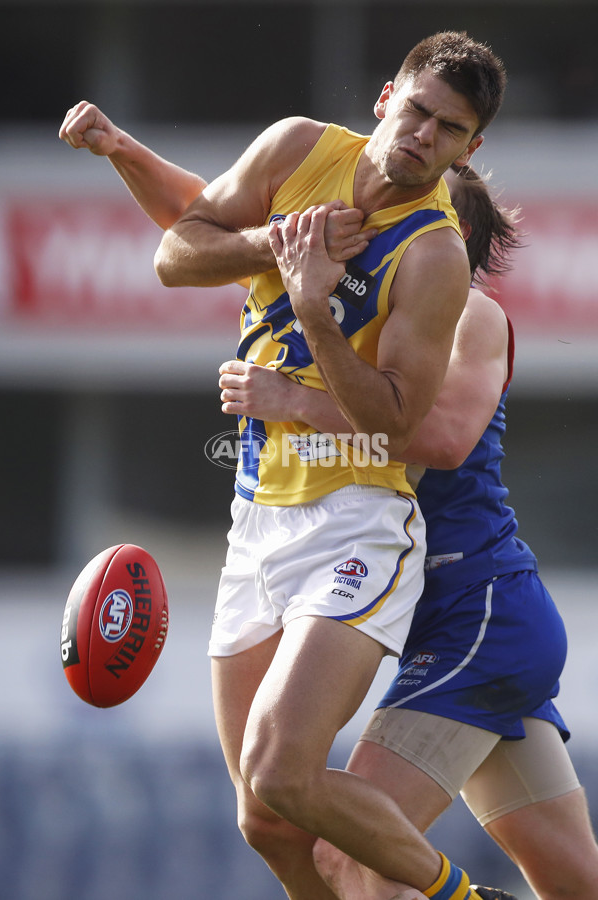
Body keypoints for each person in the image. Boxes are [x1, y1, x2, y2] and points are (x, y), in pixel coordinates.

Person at [59, 31, 516, 900]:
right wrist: (279, 247)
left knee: (280, 769)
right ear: (387, 97)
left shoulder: (433, 253)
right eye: (417, 110)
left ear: (469, 148)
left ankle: (461, 896)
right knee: (263, 820)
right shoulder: (298, 148)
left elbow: (395, 419)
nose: (423, 135)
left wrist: (312, 304)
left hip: (357, 522)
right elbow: (177, 253)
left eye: (448, 129)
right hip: (255, 520)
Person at [219, 165, 598, 900]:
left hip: (476, 616)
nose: (382, 214)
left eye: (417, 208)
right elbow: (211, 218)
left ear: (448, 241)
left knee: (347, 861)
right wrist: (120, 149)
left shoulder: (469, 316)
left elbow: (448, 437)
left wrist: (289, 398)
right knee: (576, 884)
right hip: (454, 625)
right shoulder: (364, 324)